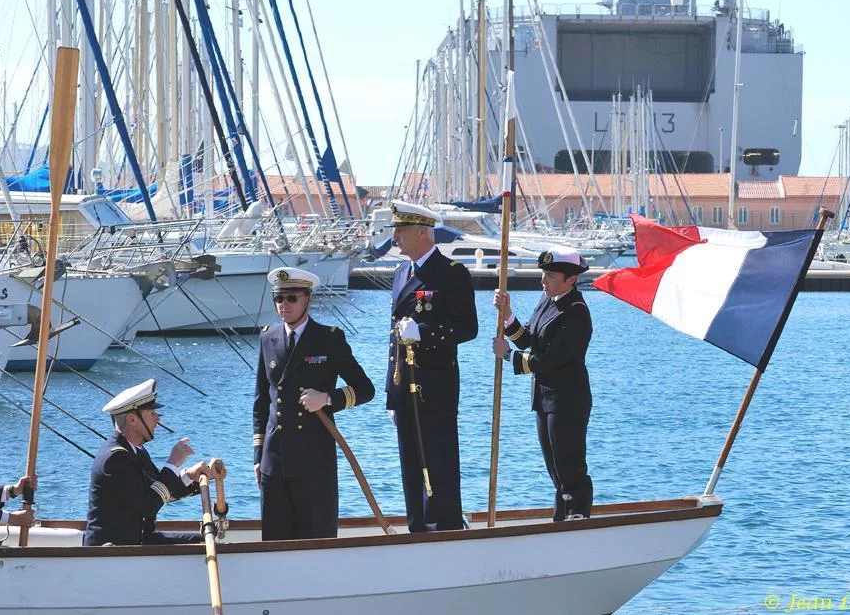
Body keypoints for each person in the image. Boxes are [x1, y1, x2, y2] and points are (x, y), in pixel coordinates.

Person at [254, 266, 375, 540]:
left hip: (313, 458)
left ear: (308, 298)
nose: (284, 305)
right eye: (278, 298)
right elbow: (262, 400)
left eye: (291, 298)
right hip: (275, 458)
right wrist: (257, 457)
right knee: (274, 539)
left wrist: (328, 399)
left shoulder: (328, 338)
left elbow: (366, 389)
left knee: (316, 537)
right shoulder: (267, 337)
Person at [386, 201, 478, 532]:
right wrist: (390, 393)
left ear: (423, 232)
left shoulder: (451, 273)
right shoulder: (400, 273)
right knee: (410, 463)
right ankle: (417, 527)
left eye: (401, 230)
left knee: (437, 460)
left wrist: (423, 333)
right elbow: (394, 340)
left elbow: (468, 327)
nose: (395, 236)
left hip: (434, 386)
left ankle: (446, 525)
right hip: (405, 385)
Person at [492, 246, 595, 521]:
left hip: (567, 400)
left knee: (569, 465)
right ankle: (561, 517)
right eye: (543, 274)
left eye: (550, 276)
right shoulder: (548, 300)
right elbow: (529, 339)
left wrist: (509, 356)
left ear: (570, 280)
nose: (543, 281)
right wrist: (508, 315)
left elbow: (550, 359)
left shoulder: (576, 313)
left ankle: (578, 515)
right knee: (554, 467)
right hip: (544, 398)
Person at [84, 379, 215, 546]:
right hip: (112, 550)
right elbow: (149, 505)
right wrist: (172, 463)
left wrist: (191, 475)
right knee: (199, 546)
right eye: (152, 414)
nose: (158, 419)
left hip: (135, 541)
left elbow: (160, 493)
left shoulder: (136, 451)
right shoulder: (115, 458)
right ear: (132, 419)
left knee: (202, 540)